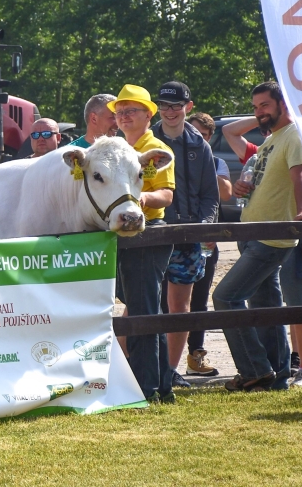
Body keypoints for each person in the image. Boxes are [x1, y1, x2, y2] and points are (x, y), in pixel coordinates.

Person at [212, 81, 302, 392]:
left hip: (272, 237)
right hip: (253, 234)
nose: (259, 113)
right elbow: (265, 178)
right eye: (254, 108)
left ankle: (255, 369)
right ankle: (277, 377)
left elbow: (301, 175)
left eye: (264, 105)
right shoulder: (272, 139)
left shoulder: (294, 135)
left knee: (225, 297)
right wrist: (244, 189)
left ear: (283, 103)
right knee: (266, 310)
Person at [109, 84, 176, 403]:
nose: (123, 117)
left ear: (149, 115)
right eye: (119, 112)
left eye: (130, 111)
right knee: (141, 307)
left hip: (149, 232)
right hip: (123, 234)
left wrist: (140, 198)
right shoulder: (118, 150)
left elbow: (167, 195)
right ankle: (159, 385)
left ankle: (145, 387)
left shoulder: (156, 148)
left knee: (143, 310)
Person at [151, 82, 219, 388]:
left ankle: (169, 371)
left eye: (175, 106)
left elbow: (210, 196)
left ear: (188, 107)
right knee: (140, 304)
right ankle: (131, 369)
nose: (169, 112)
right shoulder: (145, 139)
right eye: (164, 106)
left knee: (181, 307)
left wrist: (205, 226)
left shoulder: (199, 145)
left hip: (189, 235)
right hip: (152, 232)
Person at [179, 113, 233, 378]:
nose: (191, 140)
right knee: (170, 303)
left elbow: (225, 193)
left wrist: (203, 161)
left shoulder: (216, 161)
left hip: (206, 242)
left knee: (199, 300)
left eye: (198, 135)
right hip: (178, 239)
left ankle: (195, 355)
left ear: (208, 138)